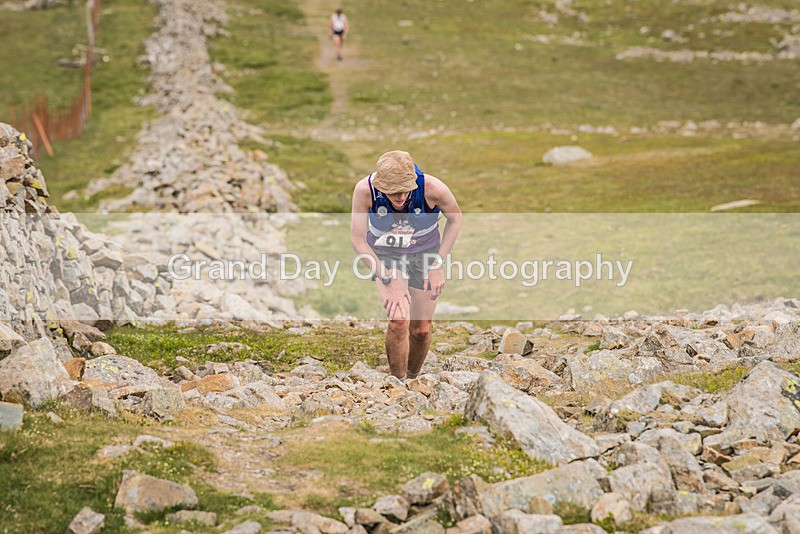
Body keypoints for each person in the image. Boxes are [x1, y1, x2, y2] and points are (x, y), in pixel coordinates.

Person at [350, 151, 462, 379]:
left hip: (425, 254)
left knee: (421, 330)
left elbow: (456, 219)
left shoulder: (433, 188)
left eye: (404, 190)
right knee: (399, 321)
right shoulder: (365, 191)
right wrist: (387, 278)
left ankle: (412, 379)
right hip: (386, 254)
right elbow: (358, 239)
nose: (400, 197)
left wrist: (438, 263)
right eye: (392, 192)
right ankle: (397, 384)